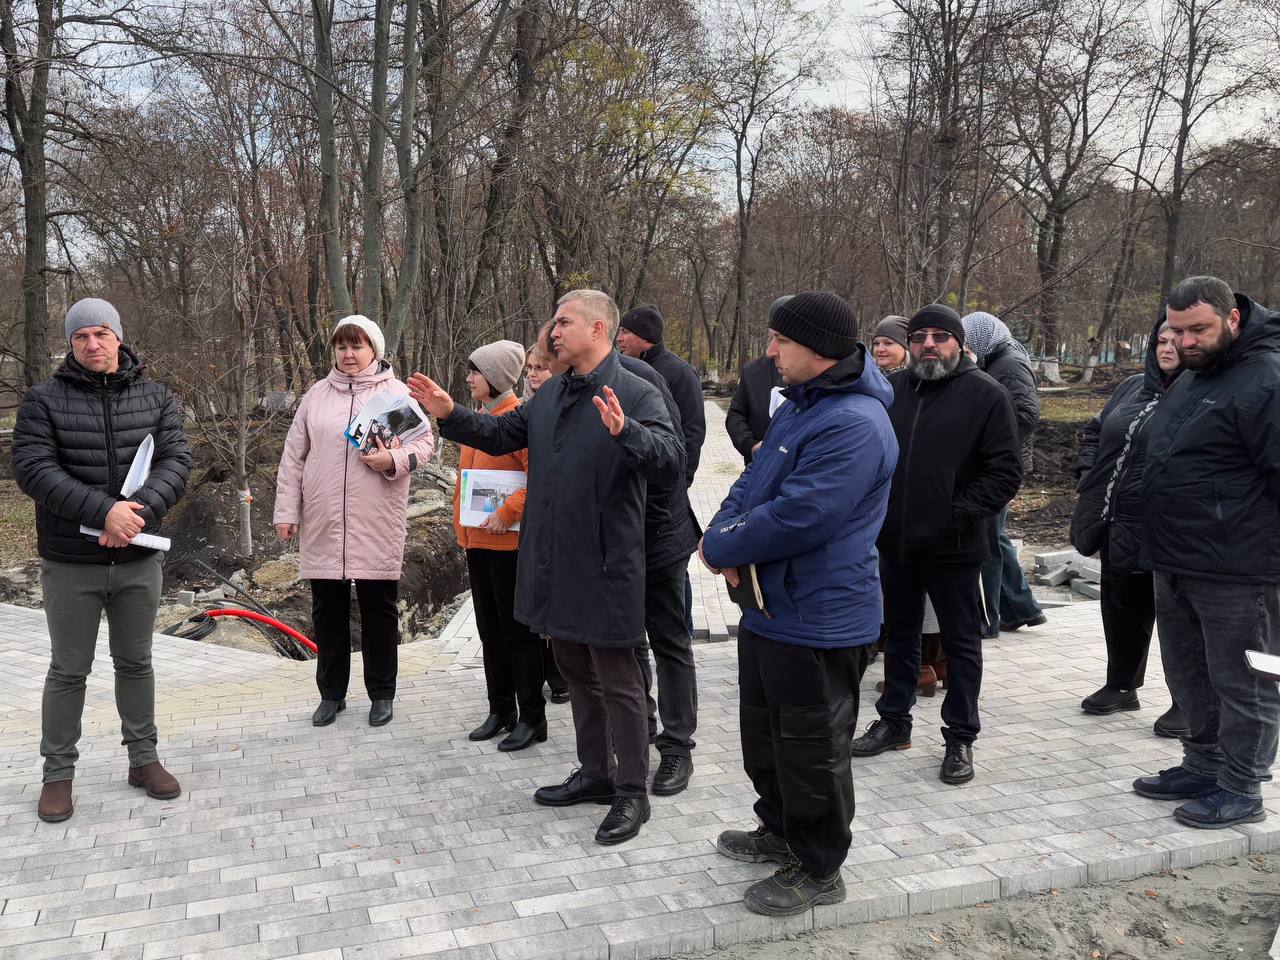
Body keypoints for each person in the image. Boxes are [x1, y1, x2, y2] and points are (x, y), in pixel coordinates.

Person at [409, 290, 684, 845]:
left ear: (599, 328)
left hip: (606, 563)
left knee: (619, 680)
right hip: (554, 560)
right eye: (553, 323)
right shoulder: (554, 390)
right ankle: (596, 774)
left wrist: (626, 432)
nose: (553, 332)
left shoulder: (634, 388)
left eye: (564, 322)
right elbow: (504, 434)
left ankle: (632, 791)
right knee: (574, 668)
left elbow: (672, 459)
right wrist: (450, 415)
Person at [701, 291, 898, 916]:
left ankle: (818, 868)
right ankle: (779, 829)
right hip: (771, 609)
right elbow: (751, 481)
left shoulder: (855, 423)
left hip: (821, 617)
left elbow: (803, 514)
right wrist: (720, 534)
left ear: (815, 348)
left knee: (811, 748)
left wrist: (724, 543)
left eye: (779, 340)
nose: (769, 351)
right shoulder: (801, 407)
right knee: (765, 735)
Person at [13, 297, 194, 823]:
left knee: (136, 662)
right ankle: (57, 774)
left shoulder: (157, 397)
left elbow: (176, 461)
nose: (92, 344)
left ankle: (143, 760)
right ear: (70, 345)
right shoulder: (43, 401)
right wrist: (104, 512)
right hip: (71, 562)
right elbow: (33, 469)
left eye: (100, 334)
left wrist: (133, 518)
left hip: (137, 559)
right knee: (69, 669)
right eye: (80, 337)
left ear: (118, 336)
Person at [1130, 276, 1280, 829]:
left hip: (1241, 568)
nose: (1186, 342)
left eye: (1199, 330)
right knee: (1189, 673)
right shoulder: (1196, 377)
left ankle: (1242, 787)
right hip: (1176, 560)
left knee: (1246, 681)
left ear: (1233, 320)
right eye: (1176, 330)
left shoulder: (1266, 378)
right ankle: (1203, 763)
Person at [852, 304, 1021, 786]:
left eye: (940, 337)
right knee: (900, 636)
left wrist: (955, 516)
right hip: (896, 542)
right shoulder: (894, 390)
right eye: (921, 336)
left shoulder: (986, 395)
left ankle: (961, 736)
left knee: (961, 643)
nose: (929, 344)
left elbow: (1004, 472)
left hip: (955, 545)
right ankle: (894, 722)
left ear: (958, 343)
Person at [274, 315, 434, 729]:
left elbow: (424, 444)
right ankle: (331, 695)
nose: (348, 354)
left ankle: (382, 694)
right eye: (342, 346)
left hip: (376, 519)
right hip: (325, 520)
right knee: (327, 610)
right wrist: (287, 511)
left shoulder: (394, 395)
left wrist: (392, 460)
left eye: (357, 346)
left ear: (374, 351)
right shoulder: (316, 396)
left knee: (379, 609)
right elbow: (294, 457)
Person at [1072, 321, 1186, 737]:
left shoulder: (1200, 394)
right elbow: (1095, 429)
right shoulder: (1132, 387)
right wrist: (1088, 473)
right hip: (1117, 521)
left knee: (1180, 621)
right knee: (1121, 608)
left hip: (1172, 528)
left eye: (1178, 340)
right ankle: (1122, 685)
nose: (1168, 347)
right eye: (1161, 340)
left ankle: (1188, 703)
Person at [454, 340, 547, 751]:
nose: (470, 378)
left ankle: (532, 716)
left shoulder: (519, 422)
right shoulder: (477, 422)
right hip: (477, 544)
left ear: (494, 378)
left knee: (517, 634)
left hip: (509, 548)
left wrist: (508, 512)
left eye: (475, 372)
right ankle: (500, 709)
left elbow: (540, 481)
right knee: (489, 631)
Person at [962, 312, 1046, 636]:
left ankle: (989, 619)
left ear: (983, 339)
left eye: (969, 343)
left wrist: (986, 434)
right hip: (996, 462)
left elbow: (1026, 414)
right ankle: (1022, 608)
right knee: (995, 536)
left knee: (986, 542)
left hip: (999, 466)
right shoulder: (995, 360)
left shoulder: (1010, 365)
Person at [872, 313, 941, 691]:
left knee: (918, 594)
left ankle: (923, 667)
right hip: (893, 503)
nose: (881, 348)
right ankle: (926, 666)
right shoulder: (881, 385)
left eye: (890, 343)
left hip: (913, 505)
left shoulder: (914, 388)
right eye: (877, 342)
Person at [522, 339, 570, 704]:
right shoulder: (528, 409)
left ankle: (561, 678)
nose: (534, 375)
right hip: (529, 532)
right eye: (529, 369)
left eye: (541, 367)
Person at [616, 304, 706, 486]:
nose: (618, 339)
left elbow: (693, 432)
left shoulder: (681, 373)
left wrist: (681, 482)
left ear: (644, 337)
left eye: (625, 332)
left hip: (666, 486)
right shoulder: (620, 369)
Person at [725, 296, 789, 464]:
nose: (771, 351)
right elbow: (736, 415)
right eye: (772, 337)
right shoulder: (753, 372)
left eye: (782, 339)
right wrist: (751, 445)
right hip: (756, 467)